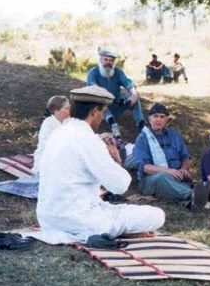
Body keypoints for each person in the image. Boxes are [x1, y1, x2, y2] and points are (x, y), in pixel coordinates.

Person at [36, 85, 165, 243]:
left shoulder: (58, 132)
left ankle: (121, 229)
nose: (103, 117)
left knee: (117, 210)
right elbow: (120, 186)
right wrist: (117, 160)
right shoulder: (88, 139)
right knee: (157, 215)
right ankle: (118, 231)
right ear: (94, 111)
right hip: (78, 220)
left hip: (48, 218)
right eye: (103, 112)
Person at [132, 102, 209, 212]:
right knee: (162, 178)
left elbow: (186, 158)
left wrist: (183, 169)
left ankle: (190, 203)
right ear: (149, 119)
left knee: (175, 180)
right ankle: (194, 196)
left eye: (162, 117)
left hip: (176, 176)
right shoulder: (143, 138)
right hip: (151, 180)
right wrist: (168, 171)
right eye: (155, 116)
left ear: (166, 120)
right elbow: (145, 168)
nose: (158, 120)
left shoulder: (174, 135)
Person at [86, 48, 146, 139]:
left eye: (111, 60)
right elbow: (92, 86)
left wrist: (133, 94)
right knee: (99, 99)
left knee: (134, 98)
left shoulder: (118, 72)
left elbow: (128, 83)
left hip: (117, 103)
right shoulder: (93, 72)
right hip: (101, 107)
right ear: (101, 60)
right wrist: (107, 96)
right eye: (106, 59)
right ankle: (113, 126)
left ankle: (141, 125)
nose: (108, 63)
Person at [32, 95, 70, 174]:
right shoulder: (48, 123)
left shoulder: (69, 121)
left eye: (69, 107)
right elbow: (46, 146)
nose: (70, 110)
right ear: (56, 111)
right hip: (48, 156)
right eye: (66, 108)